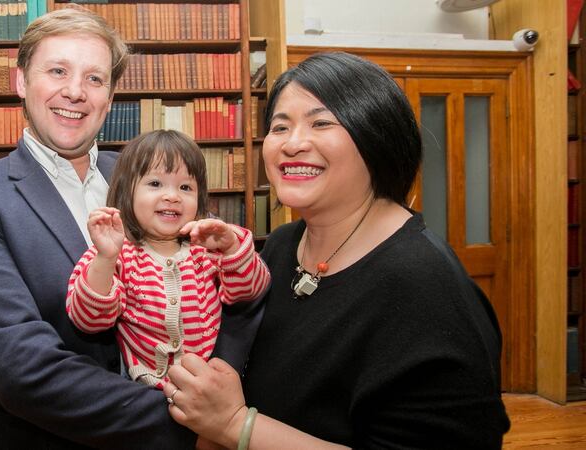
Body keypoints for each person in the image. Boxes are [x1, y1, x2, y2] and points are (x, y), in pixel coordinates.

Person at [0, 8, 263, 449]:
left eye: (94, 79)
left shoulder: (154, 179)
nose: (75, 92)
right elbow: (22, 369)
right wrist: (198, 424)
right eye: (57, 71)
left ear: (110, 97)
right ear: (20, 81)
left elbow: (228, 294)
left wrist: (219, 388)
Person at [162, 52, 511, 449]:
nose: (292, 144)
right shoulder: (280, 247)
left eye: (321, 122)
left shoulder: (426, 288)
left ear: (376, 136)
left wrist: (235, 425)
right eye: (280, 127)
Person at [66, 130, 271, 389]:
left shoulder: (207, 248)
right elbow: (88, 320)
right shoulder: (116, 254)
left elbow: (251, 289)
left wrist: (231, 248)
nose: (172, 196)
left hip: (212, 388)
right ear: (126, 191)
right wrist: (105, 259)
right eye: (155, 184)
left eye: (185, 187)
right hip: (143, 393)